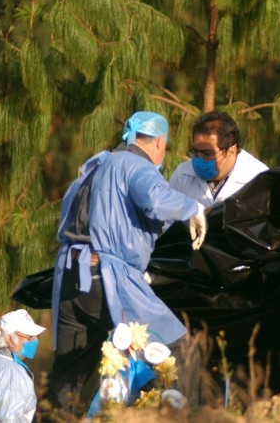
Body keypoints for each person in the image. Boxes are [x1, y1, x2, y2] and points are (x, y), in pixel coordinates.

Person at [45, 111, 208, 410]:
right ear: (160, 141)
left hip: (69, 278)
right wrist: (192, 207)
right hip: (107, 279)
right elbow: (156, 199)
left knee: (65, 381)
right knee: (182, 352)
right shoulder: (135, 165)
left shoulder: (93, 167)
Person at [170, 111, 268, 208]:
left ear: (231, 151)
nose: (199, 158)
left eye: (207, 153)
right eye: (195, 152)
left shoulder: (258, 178)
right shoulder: (182, 174)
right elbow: (169, 220)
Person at [0, 309, 46, 422]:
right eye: (29, 337)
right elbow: (10, 418)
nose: (35, 341)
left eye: (35, 337)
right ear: (9, 339)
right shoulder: (12, 373)